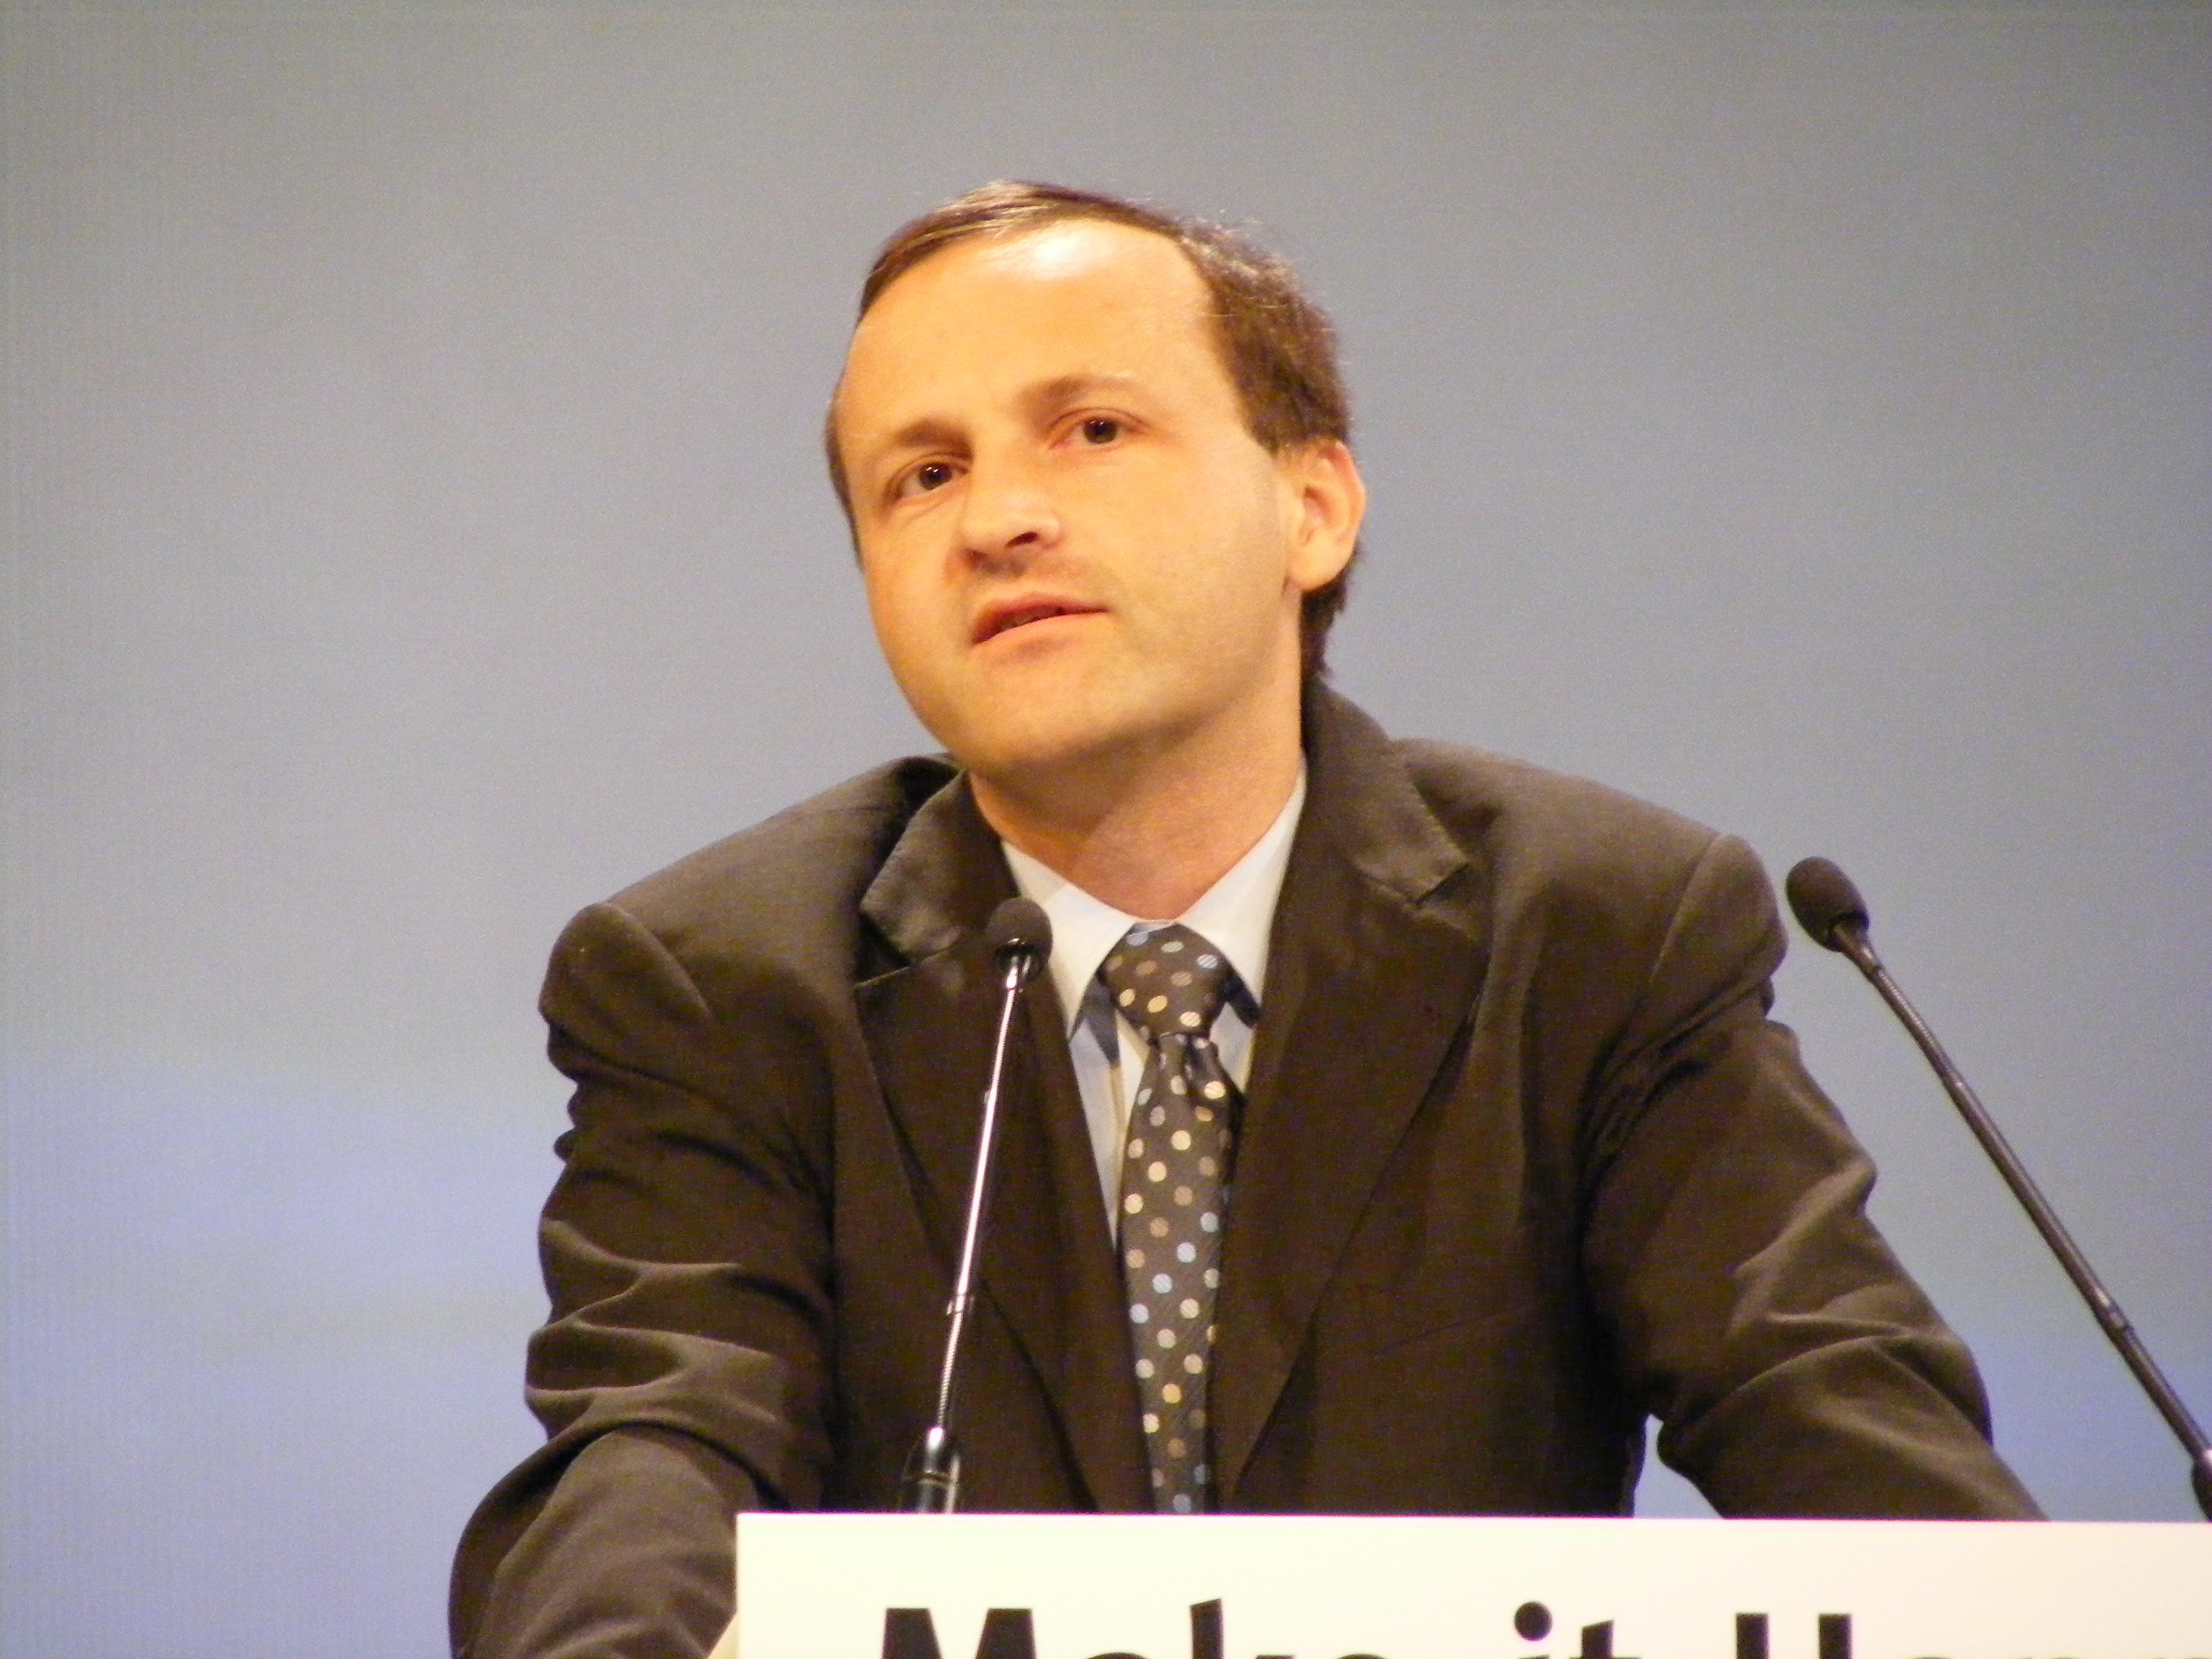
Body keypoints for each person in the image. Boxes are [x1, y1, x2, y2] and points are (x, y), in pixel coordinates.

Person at [449, 181, 2038, 1659]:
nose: (997, 517)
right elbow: (659, 1446)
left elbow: (1824, 1405)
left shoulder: (1597, 935)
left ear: (1313, 508)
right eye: (923, 475)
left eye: (1091, 430)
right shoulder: (722, 985)